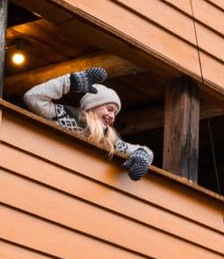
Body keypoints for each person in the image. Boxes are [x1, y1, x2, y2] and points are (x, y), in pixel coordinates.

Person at [23, 65, 154, 180]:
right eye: (109, 109)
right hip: (50, 172)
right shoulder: (66, 116)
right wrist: (70, 81)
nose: (112, 116)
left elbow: (143, 151)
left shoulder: (109, 139)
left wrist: (143, 155)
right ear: (93, 105)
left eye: (115, 113)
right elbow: (33, 97)